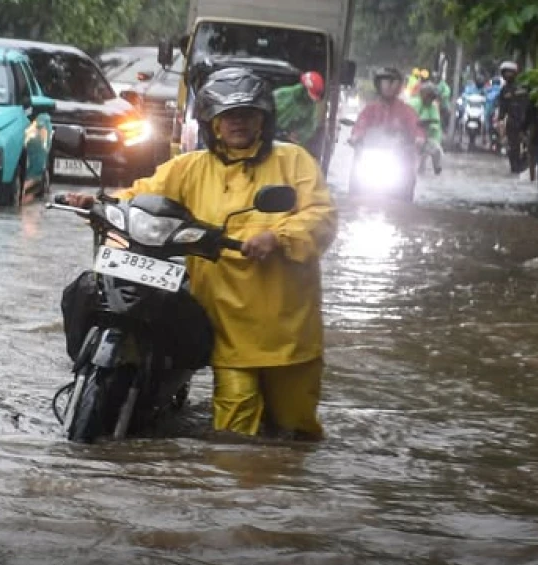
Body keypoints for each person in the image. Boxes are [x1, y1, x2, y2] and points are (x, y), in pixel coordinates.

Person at [66, 67, 337, 441]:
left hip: (289, 331)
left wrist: (278, 237)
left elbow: (321, 217)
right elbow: (142, 195)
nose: (237, 123)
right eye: (228, 116)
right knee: (234, 437)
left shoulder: (295, 162)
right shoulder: (190, 168)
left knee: (295, 430)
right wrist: (96, 204)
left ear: (264, 119)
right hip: (227, 328)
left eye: (247, 114)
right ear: (212, 124)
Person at [349, 67, 425, 149]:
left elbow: (414, 124)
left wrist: (419, 137)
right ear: (378, 84)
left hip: (399, 154)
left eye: (393, 83)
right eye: (385, 82)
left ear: (399, 86)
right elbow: (361, 123)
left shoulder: (406, 110)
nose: (389, 86)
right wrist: (355, 136)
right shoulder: (370, 109)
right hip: (371, 151)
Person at [273, 71, 326, 153]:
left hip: (287, 146)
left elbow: (309, 127)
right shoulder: (282, 95)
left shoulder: (309, 107)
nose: (311, 99)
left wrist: (297, 135)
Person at [497, 60, 531, 174]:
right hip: (512, 122)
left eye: (510, 72)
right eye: (505, 73)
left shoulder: (524, 86)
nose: (508, 75)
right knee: (513, 147)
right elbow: (502, 110)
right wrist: (500, 123)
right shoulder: (504, 91)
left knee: (529, 145)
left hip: (526, 121)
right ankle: (515, 167)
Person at [408, 83, 443, 175]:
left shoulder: (433, 107)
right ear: (423, 94)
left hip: (426, 137)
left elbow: (436, 124)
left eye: (433, 97)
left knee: (437, 150)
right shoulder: (412, 103)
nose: (431, 99)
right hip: (409, 137)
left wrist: (428, 127)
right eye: (430, 96)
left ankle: (437, 172)